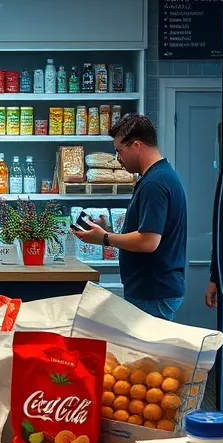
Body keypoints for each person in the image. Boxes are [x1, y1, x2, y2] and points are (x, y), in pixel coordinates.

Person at [72, 113, 187, 320]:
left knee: (145, 353)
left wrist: (105, 239)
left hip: (152, 293)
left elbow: (148, 242)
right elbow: (148, 233)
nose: (118, 159)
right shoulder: (159, 177)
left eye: (119, 151)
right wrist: (108, 231)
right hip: (154, 290)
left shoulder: (155, 184)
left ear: (136, 145)